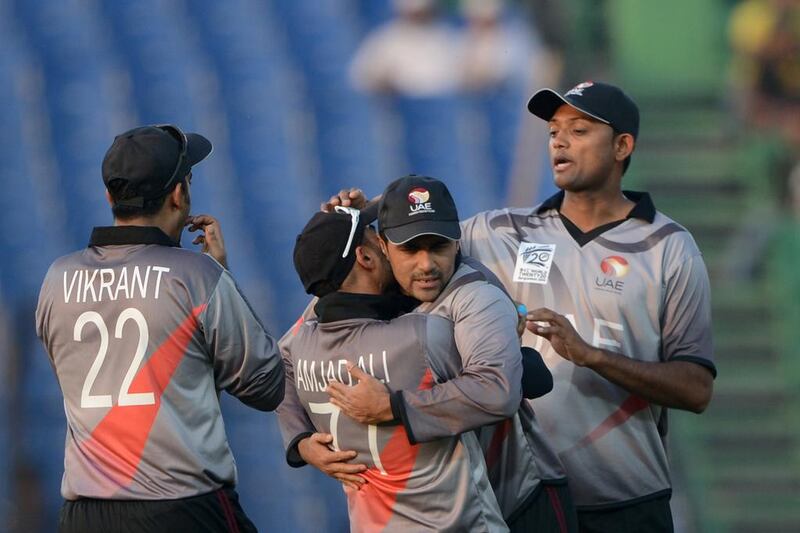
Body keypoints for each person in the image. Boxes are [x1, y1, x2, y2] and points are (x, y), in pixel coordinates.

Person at [457, 82, 717, 531]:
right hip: (523, 501)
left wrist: (591, 356)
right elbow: (413, 244)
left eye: (578, 130)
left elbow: (696, 389)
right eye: (553, 130)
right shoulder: (499, 231)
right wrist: (363, 214)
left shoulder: (668, 248)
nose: (558, 140)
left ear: (622, 146)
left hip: (628, 502)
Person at [35, 124, 285, 533]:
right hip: (181, 510)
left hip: (84, 516)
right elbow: (266, 386)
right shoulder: (197, 276)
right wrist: (221, 274)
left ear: (110, 197)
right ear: (178, 195)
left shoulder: (56, 278)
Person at [325, 175, 578, 533]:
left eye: (438, 246)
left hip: (519, 498)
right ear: (381, 246)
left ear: (457, 241)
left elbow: (499, 390)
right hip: (446, 513)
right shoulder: (370, 296)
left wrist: (395, 406)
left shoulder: (473, 292)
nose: (427, 263)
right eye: (410, 249)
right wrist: (304, 444)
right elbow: (294, 350)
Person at [277, 205, 509, 532]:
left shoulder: (301, 346)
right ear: (366, 257)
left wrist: (300, 442)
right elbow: (496, 388)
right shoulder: (423, 335)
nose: (387, 247)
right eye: (378, 240)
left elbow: (275, 366)